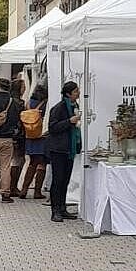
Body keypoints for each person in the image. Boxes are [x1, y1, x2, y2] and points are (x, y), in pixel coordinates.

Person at [46, 81, 81, 222]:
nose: (78, 93)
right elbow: (52, 127)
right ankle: (55, 210)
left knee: (65, 180)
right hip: (58, 149)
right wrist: (69, 121)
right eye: (76, 91)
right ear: (68, 93)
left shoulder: (75, 106)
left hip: (69, 149)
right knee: (58, 180)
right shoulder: (59, 108)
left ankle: (62, 208)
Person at [20, 83, 49, 200]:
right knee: (42, 163)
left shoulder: (28, 103)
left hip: (30, 136)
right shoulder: (46, 104)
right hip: (42, 136)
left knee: (32, 163)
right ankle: (37, 191)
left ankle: (24, 189)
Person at [6, 78, 29, 196]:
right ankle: (13, 187)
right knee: (18, 160)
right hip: (18, 134)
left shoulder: (9, 100)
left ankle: (10, 186)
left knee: (13, 160)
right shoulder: (19, 103)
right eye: (23, 86)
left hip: (9, 133)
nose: (25, 89)